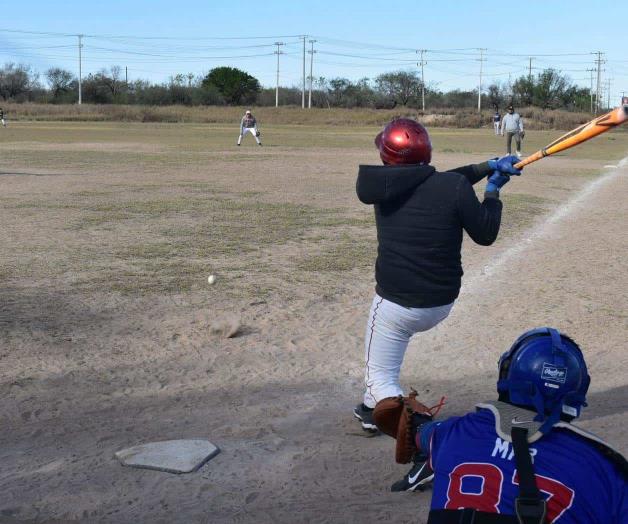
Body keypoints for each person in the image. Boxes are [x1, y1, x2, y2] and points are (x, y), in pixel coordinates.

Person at [352, 118, 522, 432]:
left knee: (379, 378)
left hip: (396, 306)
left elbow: (440, 183)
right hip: (440, 302)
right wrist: (493, 192)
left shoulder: (379, 187)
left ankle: (421, 440)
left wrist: (487, 168)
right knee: (381, 373)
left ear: (387, 155)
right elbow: (481, 229)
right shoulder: (451, 187)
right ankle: (370, 409)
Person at [378, 328, 628, 523]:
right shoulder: (603, 468)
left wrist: (420, 426)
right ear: (578, 392)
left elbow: (422, 436)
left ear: (506, 376)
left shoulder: (457, 432)